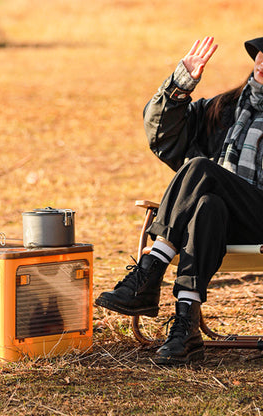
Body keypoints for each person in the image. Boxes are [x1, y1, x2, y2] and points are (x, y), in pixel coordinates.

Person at [96, 36, 263, 365]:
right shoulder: (224, 108)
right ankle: (186, 327)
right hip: (224, 225)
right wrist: (181, 84)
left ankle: (151, 268)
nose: (262, 61)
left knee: (201, 168)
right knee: (206, 206)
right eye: (261, 53)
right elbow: (164, 136)